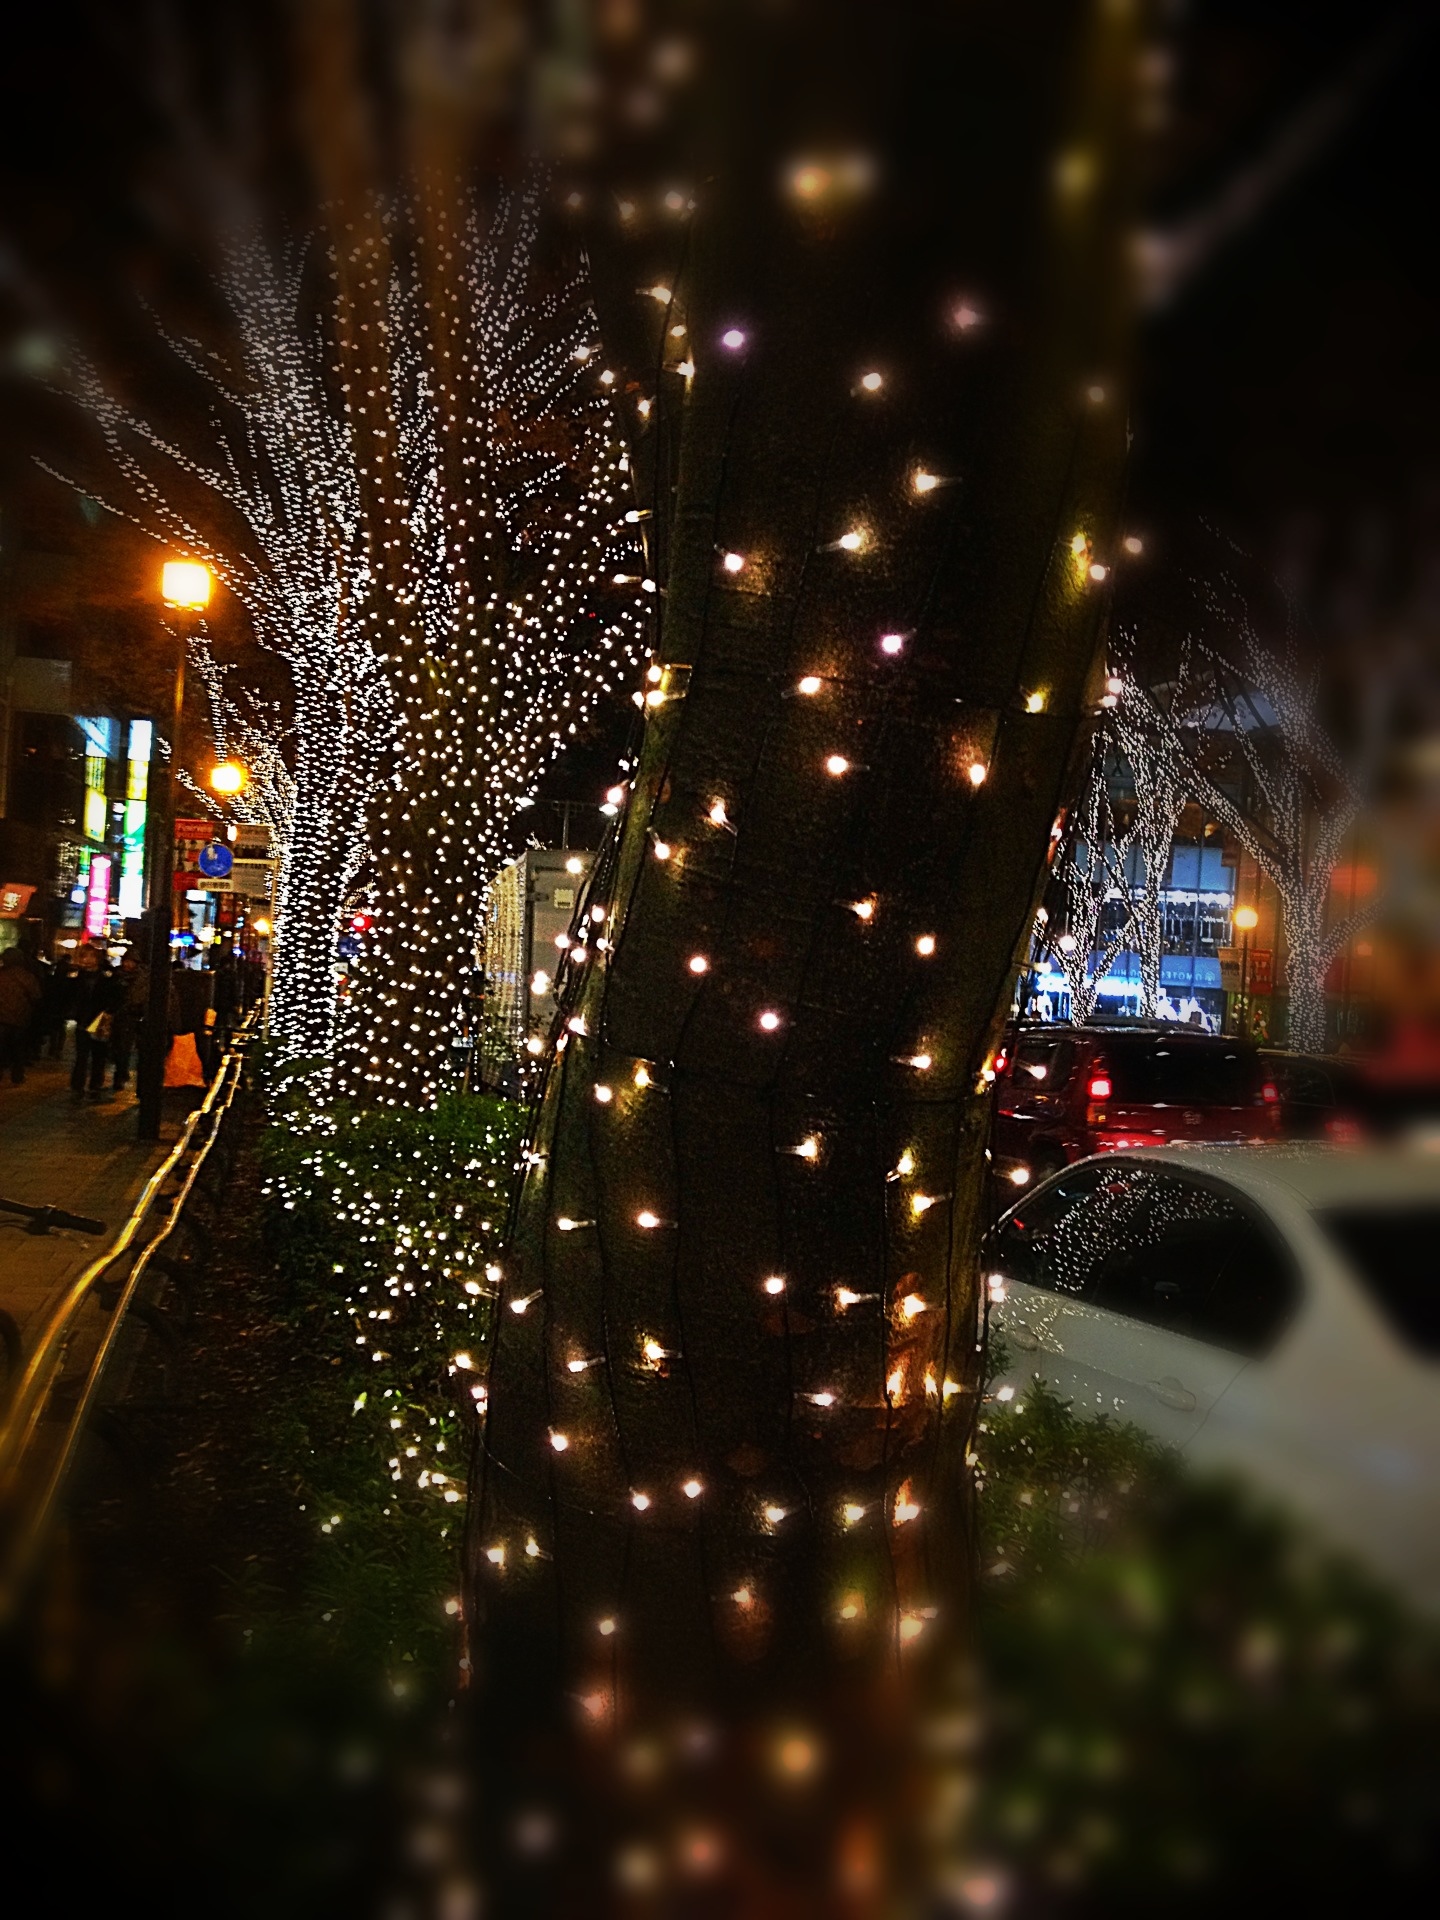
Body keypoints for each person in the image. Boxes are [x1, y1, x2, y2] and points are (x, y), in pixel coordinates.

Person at [70, 947, 120, 1100]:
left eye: (91, 956)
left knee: (99, 1054)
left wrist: (109, 1012)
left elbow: (116, 996)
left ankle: (95, 1085)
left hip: (100, 1020)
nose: (87, 960)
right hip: (83, 1020)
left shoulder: (107, 976)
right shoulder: (75, 976)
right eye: (84, 957)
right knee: (82, 1055)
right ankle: (78, 1086)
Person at [0, 948, 42, 1085]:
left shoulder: (2, 975)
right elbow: (36, 996)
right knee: (18, 1049)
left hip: (1, 1018)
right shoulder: (27, 977)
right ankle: (17, 1076)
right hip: (20, 1018)